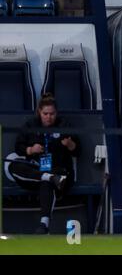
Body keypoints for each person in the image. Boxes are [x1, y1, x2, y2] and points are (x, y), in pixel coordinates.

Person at [6, 93, 80, 234]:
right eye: (45, 114)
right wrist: (30, 149)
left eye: (52, 114)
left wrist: (70, 144)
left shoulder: (64, 125)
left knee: (48, 182)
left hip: (59, 175)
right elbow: (18, 148)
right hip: (34, 173)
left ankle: (44, 225)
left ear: (56, 113)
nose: (48, 117)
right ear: (39, 112)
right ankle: (46, 176)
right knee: (13, 166)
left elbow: (78, 151)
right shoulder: (30, 125)